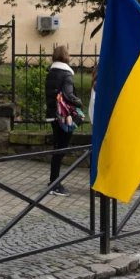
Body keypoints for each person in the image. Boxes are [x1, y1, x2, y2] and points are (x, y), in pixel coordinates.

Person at [45, 45, 83, 197]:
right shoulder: (66, 74)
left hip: (53, 114)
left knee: (57, 148)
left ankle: (53, 181)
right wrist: (79, 102)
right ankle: (55, 184)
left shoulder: (51, 73)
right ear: (66, 56)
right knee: (61, 149)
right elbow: (68, 95)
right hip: (64, 117)